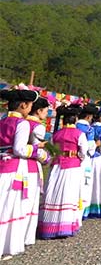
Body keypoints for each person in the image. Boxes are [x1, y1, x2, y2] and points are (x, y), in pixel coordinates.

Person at [1, 88, 48, 255]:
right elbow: (20, 149)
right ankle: (8, 244)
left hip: (2, 165)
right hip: (14, 168)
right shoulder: (21, 124)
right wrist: (37, 150)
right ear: (23, 105)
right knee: (10, 206)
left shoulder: (2, 120)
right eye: (30, 106)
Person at [38, 104, 87, 239]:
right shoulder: (79, 134)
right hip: (72, 166)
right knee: (68, 194)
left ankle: (50, 223)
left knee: (54, 192)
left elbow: (52, 150)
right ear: (75, 120)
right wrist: (78, 158)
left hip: (57, 165)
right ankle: (65, 225)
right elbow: (83, 152)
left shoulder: (57, 134)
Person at [25, 96, 52, 246]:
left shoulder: (20, 121)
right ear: (39, 110)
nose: (47, 114)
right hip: (30, 164)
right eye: (46, 111)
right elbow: (37, 149)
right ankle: (27, 235)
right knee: (30, 199)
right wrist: (47, 158)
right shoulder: (38, 126)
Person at [75, 103, 98, 220]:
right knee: (84, 184)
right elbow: (90, 147)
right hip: (84, 159)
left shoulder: (74, 126)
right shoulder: (89, 129)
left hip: (71, 159)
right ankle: (81, 212)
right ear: (89, 117)